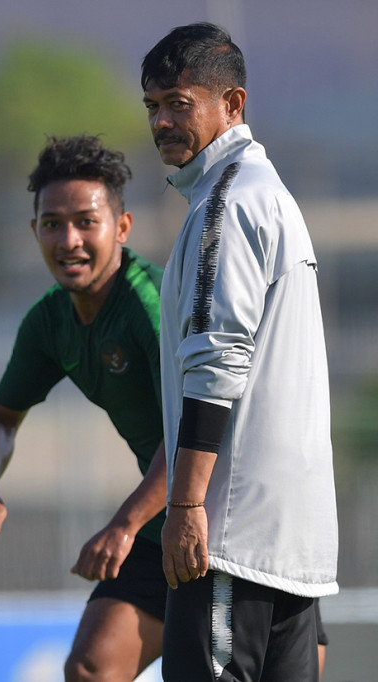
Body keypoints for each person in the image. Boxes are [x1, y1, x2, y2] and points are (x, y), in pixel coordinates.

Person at [141, 22, 338, 681]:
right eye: (153, 106)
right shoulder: (270, 195)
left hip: (227, 541)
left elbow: (218, 362)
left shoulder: (227, 202)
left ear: (234, 104)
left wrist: (188, 506)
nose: (163, 120)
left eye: (179, 102)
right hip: (290, 547)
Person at [0, 135, 169, 682]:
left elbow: (198, 432)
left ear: (121, 227)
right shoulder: (49, 323)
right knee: (90, 669)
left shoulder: (150, 307)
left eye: (85, 222)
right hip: (159, 521)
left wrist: (123, 525)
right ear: (34, 232)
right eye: (52, 224)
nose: (68, 239)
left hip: (233, 524)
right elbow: (0, 419)